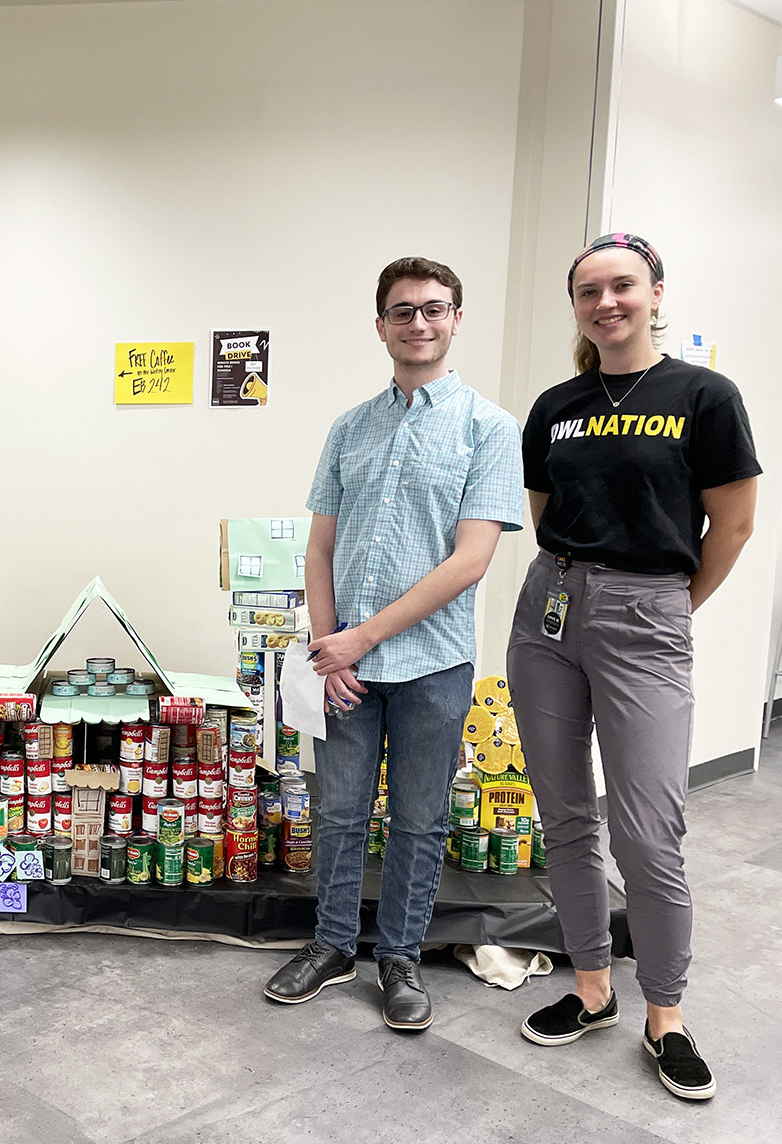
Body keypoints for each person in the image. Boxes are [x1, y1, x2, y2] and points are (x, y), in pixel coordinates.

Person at [508, 233, 759, 1101]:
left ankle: (666, 1013)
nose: (606, 302)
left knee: (649, 834)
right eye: (589, 291)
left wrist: (671, 608)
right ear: (576, 306)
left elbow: (731, 524)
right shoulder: (556, 404)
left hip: (646, 608)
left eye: (622, 286)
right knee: (566, 815)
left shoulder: (705, 395)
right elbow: (545, 513)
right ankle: (589, 985)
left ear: (656, 293)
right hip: (548, 610)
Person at [264, 257, 523, 1029]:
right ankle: (333, 945)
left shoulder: (489, 428)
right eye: (402, 311)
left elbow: (471, 560)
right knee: (339, 812)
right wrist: (325, 643)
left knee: (418, 819)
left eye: (433, 309)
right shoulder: (351, 427)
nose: (418, 322)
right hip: (344, 667)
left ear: (456, 320)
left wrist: (360, 639)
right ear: (380, 325)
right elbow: (318, 551)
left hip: (435, 666)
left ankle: (401, 959)